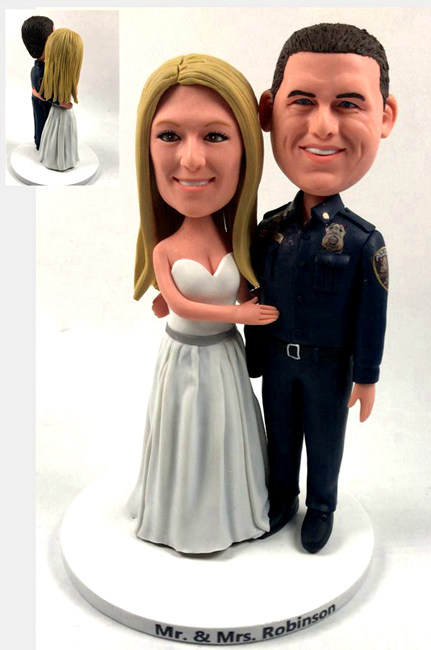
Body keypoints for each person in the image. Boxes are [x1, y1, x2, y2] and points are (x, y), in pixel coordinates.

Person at [245, 23, 397, 553]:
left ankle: (322, 506)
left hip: (331, 368)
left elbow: (371, 316)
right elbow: (253, 293)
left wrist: (367, 376)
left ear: (384, 116)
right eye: (303, 101)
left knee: (326, 441)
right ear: (269, 111)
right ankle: (281, 496)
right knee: (280, 436)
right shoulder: (269, 229)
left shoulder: (362, 242)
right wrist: (251, 355)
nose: (324, 126)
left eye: (348, 103)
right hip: (278, 362)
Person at [127, 54, 279, 554]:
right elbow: (183, 306)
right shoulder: (165, 250)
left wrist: (262, 302)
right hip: (185, 359)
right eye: (169, 135)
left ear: (247, 149)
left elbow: (243, 287)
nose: (191, 160)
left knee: (225, 436)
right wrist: (240, 315)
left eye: (214, 135)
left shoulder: (237, 243)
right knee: (186, 434)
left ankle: (229, 512)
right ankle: (181, 517)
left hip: (226, 359)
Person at [37, 28, 83, 171]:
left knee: (59, 135)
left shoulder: (61, 79)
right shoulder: (46, 77)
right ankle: (58, 160)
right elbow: (45, 95)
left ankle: (61, 159)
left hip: (60, 113)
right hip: (59, 112)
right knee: (58, 135)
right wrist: (60, 102)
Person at [21, 15, 54, 149]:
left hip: (39, 103)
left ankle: (40, 141)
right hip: (42, 106)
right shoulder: (40, 72)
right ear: (48, 41)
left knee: (40, 123)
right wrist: (61, 103)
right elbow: (44, 95)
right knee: (42, 124)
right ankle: (41, 144)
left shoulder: (38, 69)